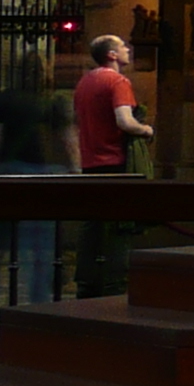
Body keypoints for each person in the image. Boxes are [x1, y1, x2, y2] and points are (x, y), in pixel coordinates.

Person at [0, 53, 73, 306]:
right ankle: (39, 295)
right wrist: (75, 171)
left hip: (6, 170)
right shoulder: (53, 101)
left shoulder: (5, 98)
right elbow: (68, 142)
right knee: (39, 242)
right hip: (42, 174)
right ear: (45, 73)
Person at [73, 34, 155, 298]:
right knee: (120, 227)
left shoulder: (85, 82)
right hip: (116, 163)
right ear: (111, 55)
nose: (128, 50)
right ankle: (115, 285)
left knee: (92, 225)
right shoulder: (117, 81)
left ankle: (86, 281)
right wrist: (144, 129)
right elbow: (124, 121)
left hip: (90, 163)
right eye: (122, 47)